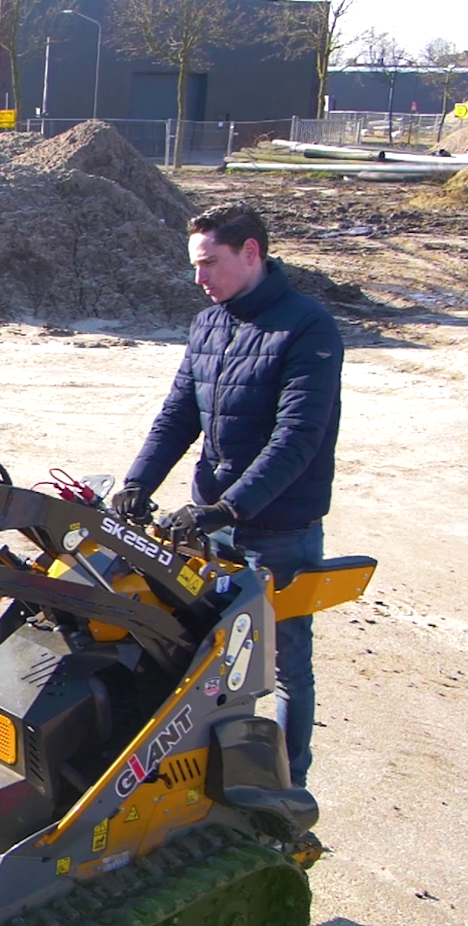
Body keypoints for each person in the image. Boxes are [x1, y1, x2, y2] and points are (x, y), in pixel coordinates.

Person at [109, 203, 344, 788]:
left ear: (251, 252)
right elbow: (177, 415)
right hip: (208, 526)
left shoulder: (307, 327)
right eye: (194, 265)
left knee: (285, 664)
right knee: (197, 659)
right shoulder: (208, 324)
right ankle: (201, 782)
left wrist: (230, 506)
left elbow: (297, 438)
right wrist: (139, 481)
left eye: (209, 263)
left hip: (278, 532)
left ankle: (289, 786)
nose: (199, 278)